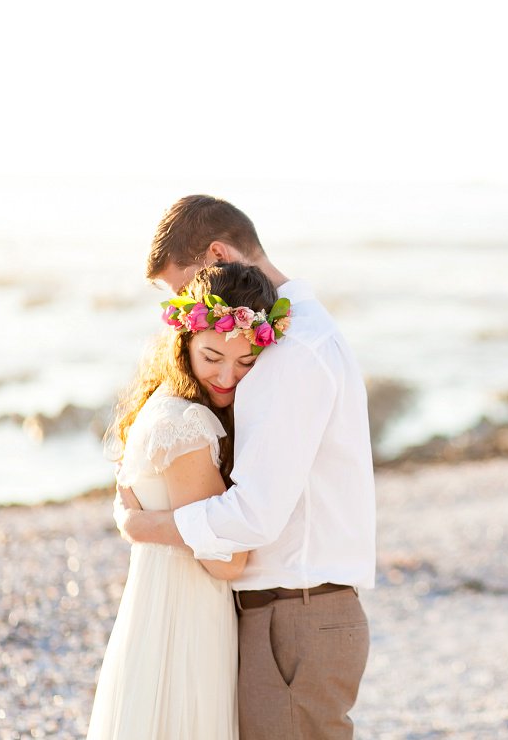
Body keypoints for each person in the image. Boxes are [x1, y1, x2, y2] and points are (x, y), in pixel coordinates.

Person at [113, 195, 376, 740]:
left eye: (184, 288)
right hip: (290, 613)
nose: (189, 310)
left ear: (217, 254)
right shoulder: (287, 335)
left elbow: (254, 515)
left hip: (294, 616)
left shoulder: (291, 349)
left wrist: (147, 526)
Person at [89, 262, 284, 739]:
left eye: (245, 363)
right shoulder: (186, 424)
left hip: (161, 609)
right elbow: (231, 559)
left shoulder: (164, 404)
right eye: (212, 356)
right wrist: (143, 527)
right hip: (183, 618)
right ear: (185, 342)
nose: (227, 376)